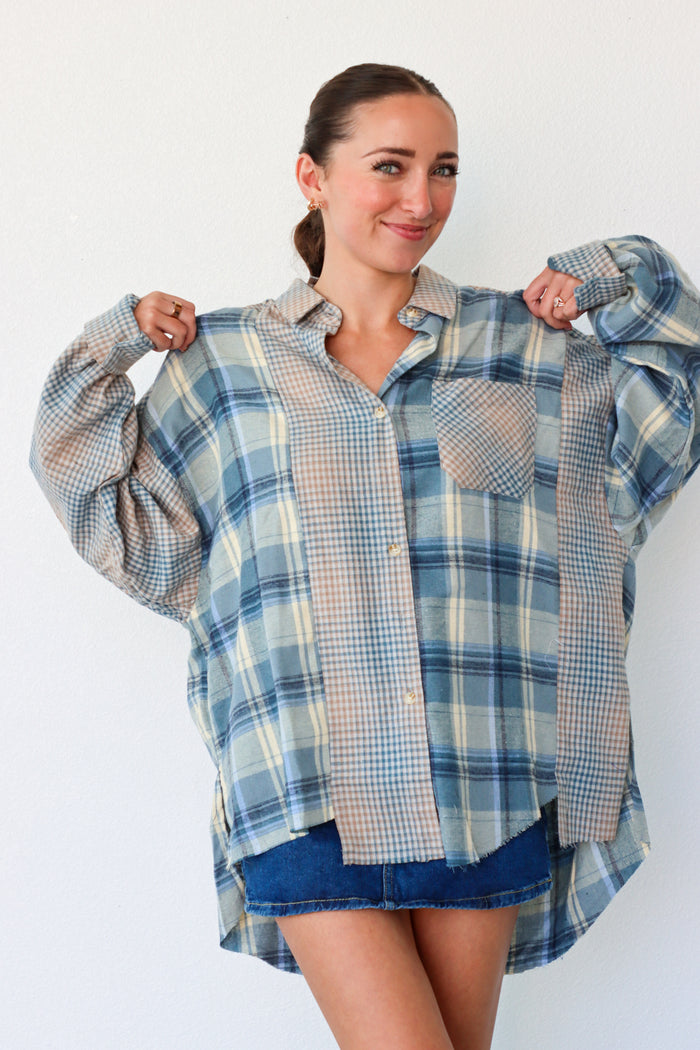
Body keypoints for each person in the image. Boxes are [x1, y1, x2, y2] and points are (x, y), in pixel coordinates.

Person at [30, 63, 700, 1050]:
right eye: (388, 166)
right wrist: (110, 346)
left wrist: (617, 274)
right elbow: (110, 510)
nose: (420, 199)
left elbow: (673, 397)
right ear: (312, 176)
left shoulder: (526, 347)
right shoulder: (222, 369)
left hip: (488, 776)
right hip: (305, 785)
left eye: (443, 169)